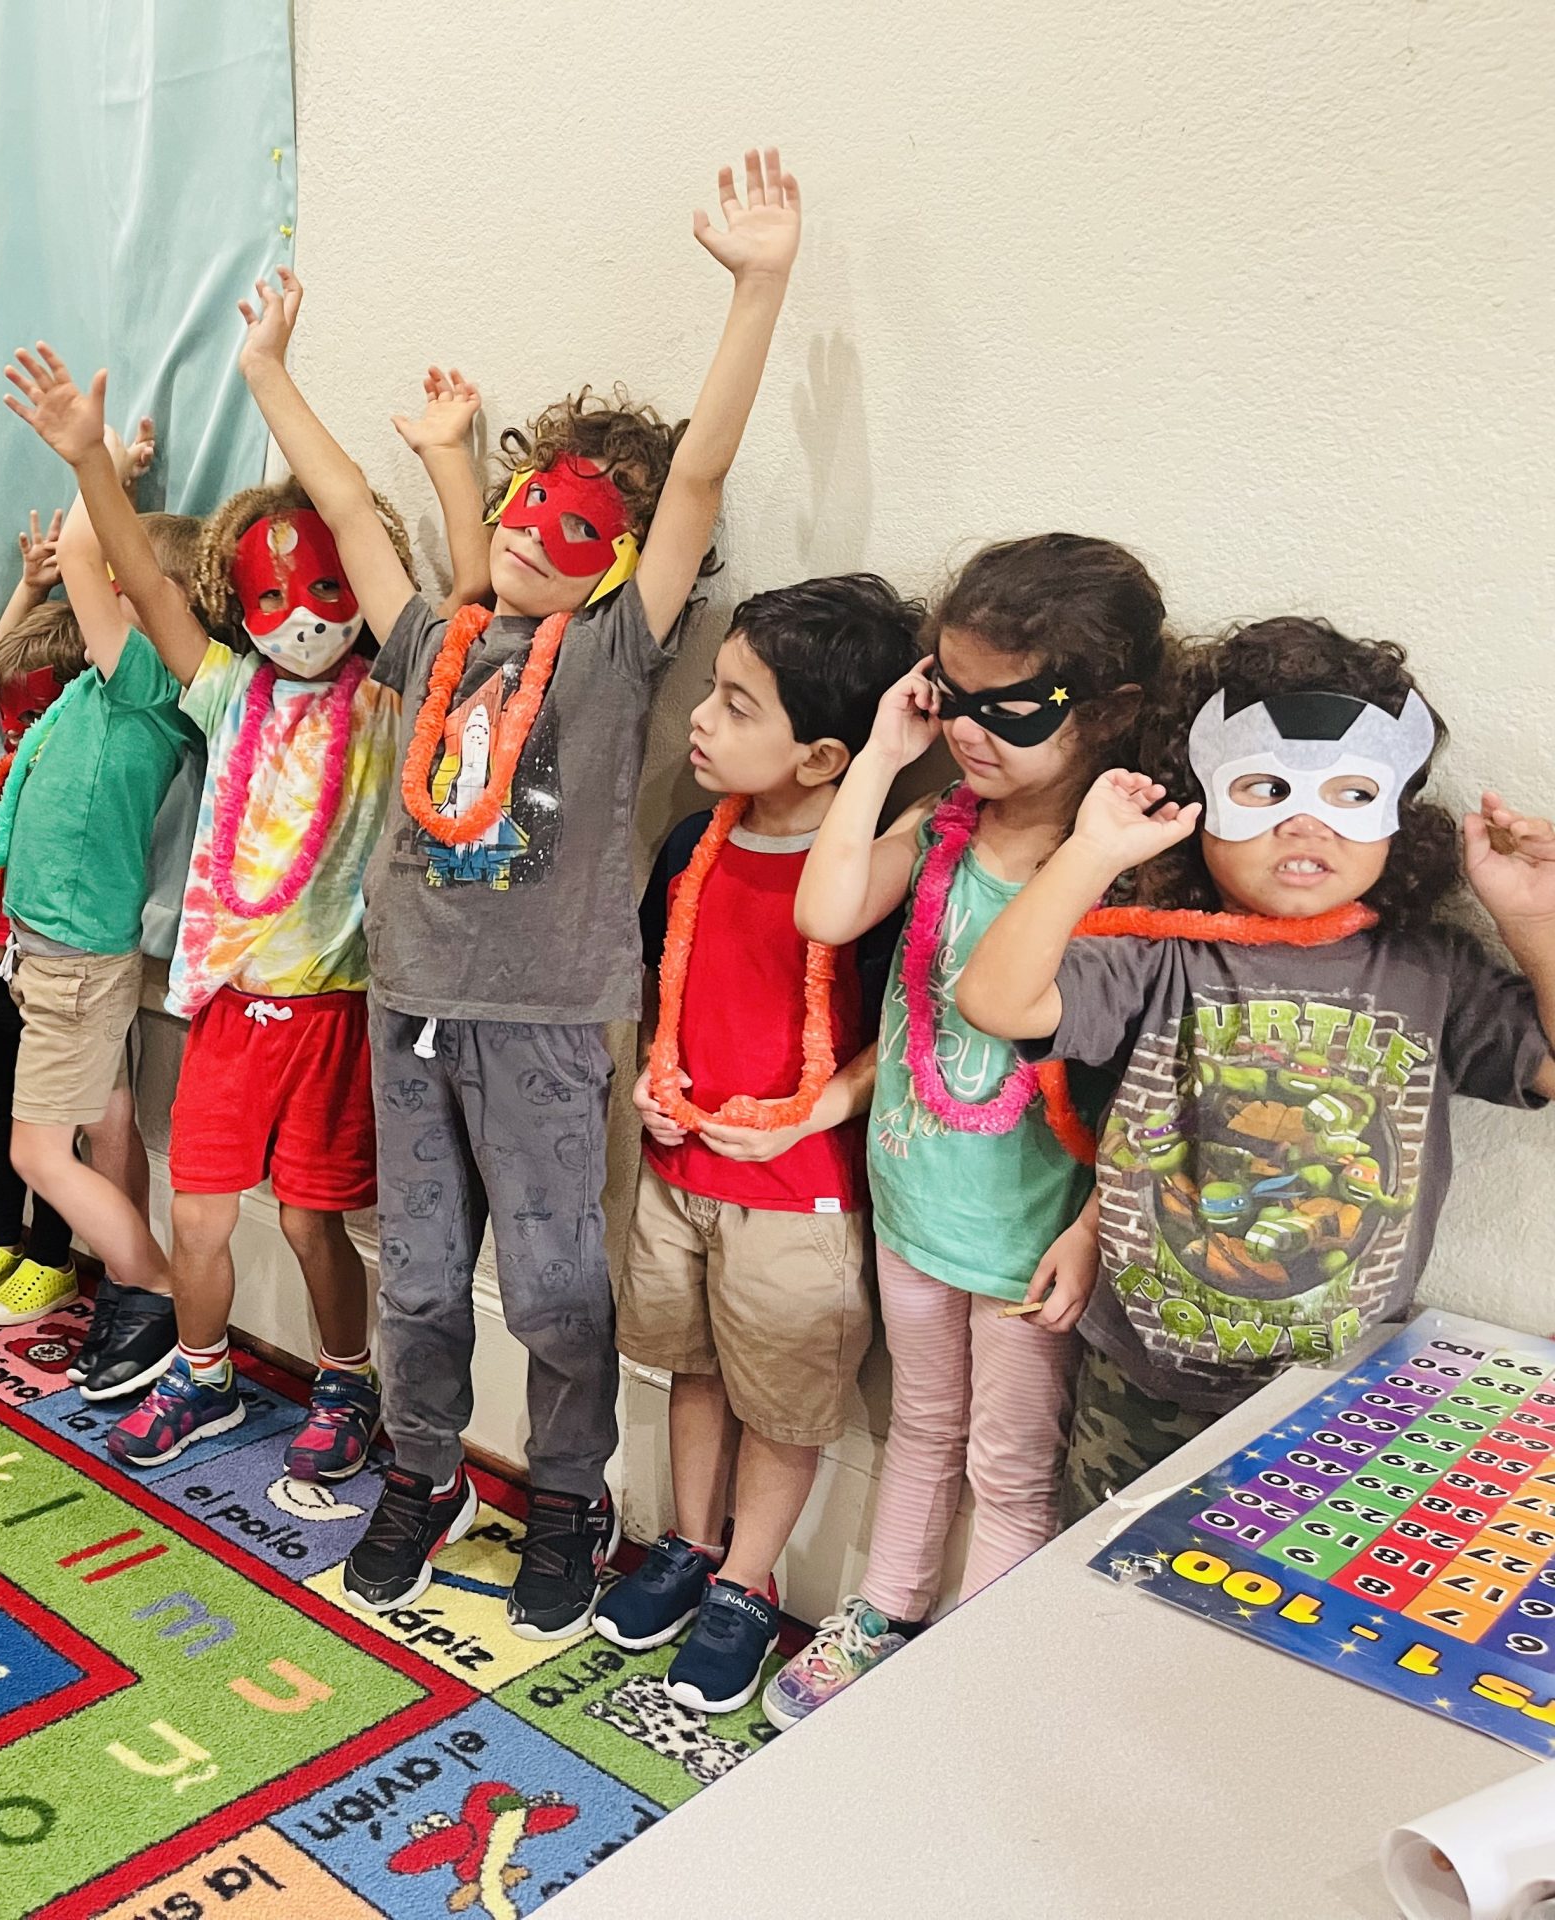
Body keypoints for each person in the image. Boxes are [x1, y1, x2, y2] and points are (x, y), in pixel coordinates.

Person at [223, 147, 803, 1638]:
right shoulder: (434, 644)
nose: (544, 535)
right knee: (416, 1283)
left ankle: (566, 1496)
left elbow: (700, 481)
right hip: (411, 1007)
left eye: (579, 527)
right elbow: (356, 520)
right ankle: (422, 1474)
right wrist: (273, 372)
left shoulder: (614, 660)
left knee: (553, 1288)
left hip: (545, 1023)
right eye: (525, 510)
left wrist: (758, 288)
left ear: (615, 566)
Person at [8, 346, 491, 1480]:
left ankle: (342, 1378)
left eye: (324, 587)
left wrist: (450, 463)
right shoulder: (224, 689)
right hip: (231, 1007)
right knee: (201, 1219)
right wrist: (91, 466)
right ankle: (203, 1371)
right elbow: (144, 579)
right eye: (270, 593)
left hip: (331, 1012)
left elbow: (461, 604)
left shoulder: (384, 703)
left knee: (317, 1223)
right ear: (237, 600)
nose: (300, 615)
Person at [955, 615, 1555, 1522]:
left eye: (1350, 794)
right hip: (1144, 1382)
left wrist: (1532, 921)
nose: (1305, 822)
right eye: (1266, 789)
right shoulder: (1161, 959)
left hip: (1339, 1394)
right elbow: (997, 1001)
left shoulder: (1430, 972)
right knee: (1109, 1592)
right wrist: (1091, 853)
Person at [780, 531, 1168, 1722]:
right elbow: (827, 904)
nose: (969, 728)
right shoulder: (946, 817)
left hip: (1024, 1232)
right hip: (912, 1199)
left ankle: (973, 1668)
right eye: (952, 694)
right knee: (918, 1424)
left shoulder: (1122, 869)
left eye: (1014, 707)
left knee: (1008, 1468)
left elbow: (1161, 1079)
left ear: (1107, 714)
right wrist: (884, 757)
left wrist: (1098, 1227)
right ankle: (887, 1607)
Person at [593, 575, 920, 1715]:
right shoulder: (692, 841)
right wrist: (650, 1078)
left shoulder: (877, 870)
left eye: (738, 704)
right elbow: (663, 986)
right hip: (677, 1173)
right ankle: (689, 1543)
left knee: (779, 1399)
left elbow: (907, 1033)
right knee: (688, 1364)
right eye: (713, 691)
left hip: (798, 1194)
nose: (702, 716)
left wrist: (822, 1105)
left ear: (825, 757)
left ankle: (745, 1580)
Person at [0, 399, 206, 1399]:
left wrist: (100, 459)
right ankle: (132, 1285)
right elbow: (69, 575)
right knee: (105, 1123)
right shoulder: (96, 684)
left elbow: (80, 550)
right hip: (57, 950)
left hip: (73, 954)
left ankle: (147, 1285)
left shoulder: (146, 682)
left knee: (37, 1148)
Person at [0, 512, 107, 1315]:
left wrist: (114, 492)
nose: (17, 729)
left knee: (53, 1120)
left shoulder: (90, 746)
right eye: (13, 716)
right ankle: (0, 1238)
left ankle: (51, 1253)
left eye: (34, 715)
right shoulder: (14, 757)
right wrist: (32, 585)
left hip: (61, 961)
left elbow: (106, 662)